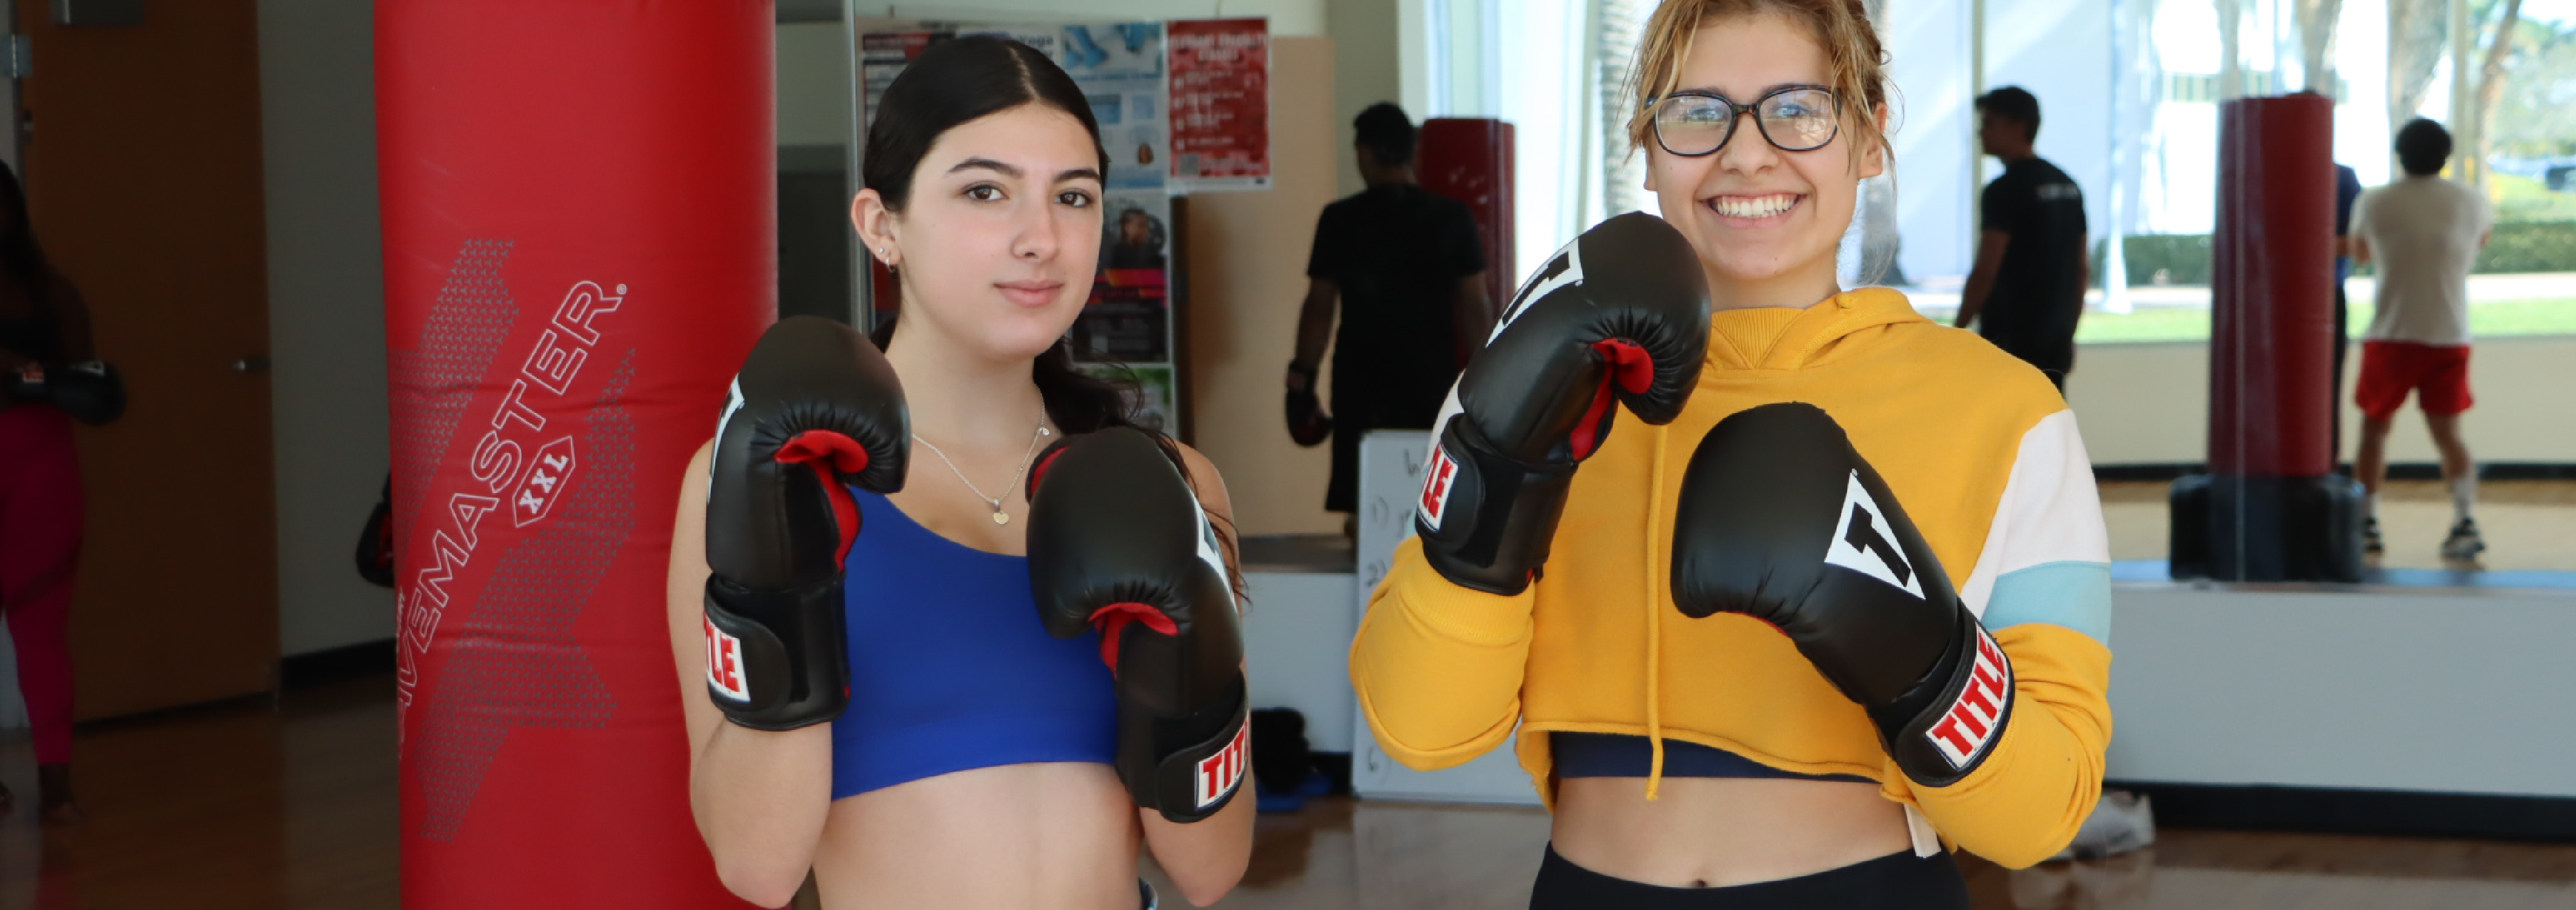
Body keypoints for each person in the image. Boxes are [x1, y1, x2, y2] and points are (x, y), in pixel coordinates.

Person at [1351, 1, 2113, 906]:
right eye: (1698, 112)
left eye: (1797, 109)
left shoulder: (2007, 412)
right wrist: (1502, 480)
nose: (1747, 153)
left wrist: (1923, 657)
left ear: (1869, 137)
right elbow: (1419, 725)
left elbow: (2042, 818)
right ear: (1646, 144)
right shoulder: (1541, 380)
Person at [667, 37, 1253, 909]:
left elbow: (1212, 868)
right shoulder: (757, 475)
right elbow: (758, 865)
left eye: (1074, 196)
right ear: (881, 224)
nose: (1041, 238)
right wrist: (783, 588)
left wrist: (1184, 680)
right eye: (985, 191)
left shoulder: (1173, 484)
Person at [1287, 102, 1495, 523]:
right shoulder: (1452, 219)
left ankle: (1367, 586)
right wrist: (1492, 383)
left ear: (1364, 152)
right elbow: (1476, 308)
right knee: (1434, 497)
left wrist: (1300, 380)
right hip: (1431, 379)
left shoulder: (1340, 220)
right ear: (1412, 150)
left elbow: (1319, 311)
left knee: (1364, 507)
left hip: (1361, 383)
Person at [2348, 117, 2491, 561]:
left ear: (2399, 154)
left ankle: (2367, 521)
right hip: (2448, 334)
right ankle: (2465, 520)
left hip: (2392, 333)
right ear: (2446, 156)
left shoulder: (2375, 201)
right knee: (2449, 434)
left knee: (2374, 430)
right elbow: (2479, 243)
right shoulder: (2473, 201)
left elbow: (2359, 252)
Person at [0, 161, 94, 825]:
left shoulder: (54, 292)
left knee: (41, 631)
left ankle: (56, 785)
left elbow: (92, 384)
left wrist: (41, 376)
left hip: (41, 475)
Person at [1954, 86, 2089, 393]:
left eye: (1989, 123)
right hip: (2054, 338)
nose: (1981, 132)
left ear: (2017, 127)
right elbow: (2081, 268)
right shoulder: (2068, 186)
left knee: (2007, 434)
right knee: (2049, 429)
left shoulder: (2004, 191)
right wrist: (2068, 332)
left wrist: (1958, 330)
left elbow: (1987, 268)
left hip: (2011, 338)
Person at [2334, 161, 2362, 467]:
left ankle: (2325, 464)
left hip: (2325, 296)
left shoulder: (2341, 177)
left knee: (2327, 386)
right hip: (2263, 300)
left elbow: (2357, 243)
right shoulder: (2253, 170)